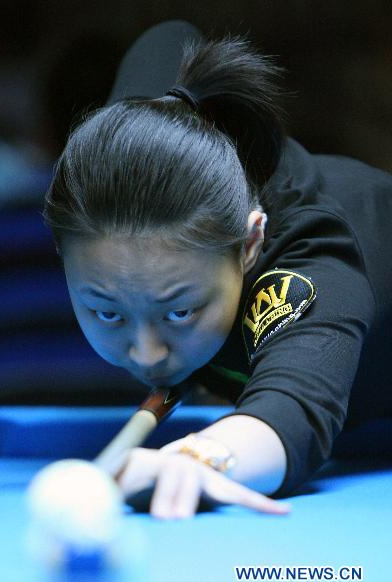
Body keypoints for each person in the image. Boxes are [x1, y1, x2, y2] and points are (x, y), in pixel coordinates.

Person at [43, 21, 392, 519]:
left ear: (250, 244)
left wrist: (195, 457)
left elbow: (289, 413)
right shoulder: (138, 147)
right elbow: (168, 38)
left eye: (180, 311)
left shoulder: (314, 253)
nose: (148, 353)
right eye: (107, 313)